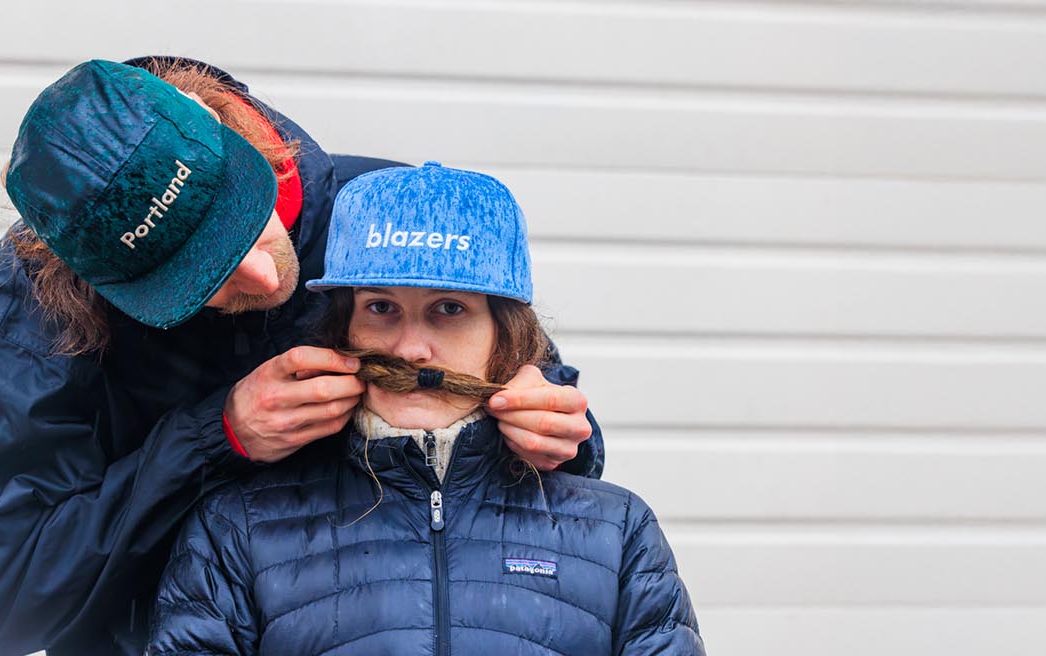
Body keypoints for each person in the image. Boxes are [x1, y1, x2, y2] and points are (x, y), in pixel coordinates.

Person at [0, 58, 607, 655]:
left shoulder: (383, 218)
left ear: (234, 130)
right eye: (200, 279)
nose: (259, 277)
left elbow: (547, 444)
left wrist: (555, 432)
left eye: (244, 219)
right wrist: (213, 440)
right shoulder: (29, 310)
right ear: (97, 285)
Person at [147, 163, 703, 655]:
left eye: (449, 309)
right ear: (342, 330)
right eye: (382, 307)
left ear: (504, 336)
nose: (411, 348)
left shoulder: (618, 530)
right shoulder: (237, 530)